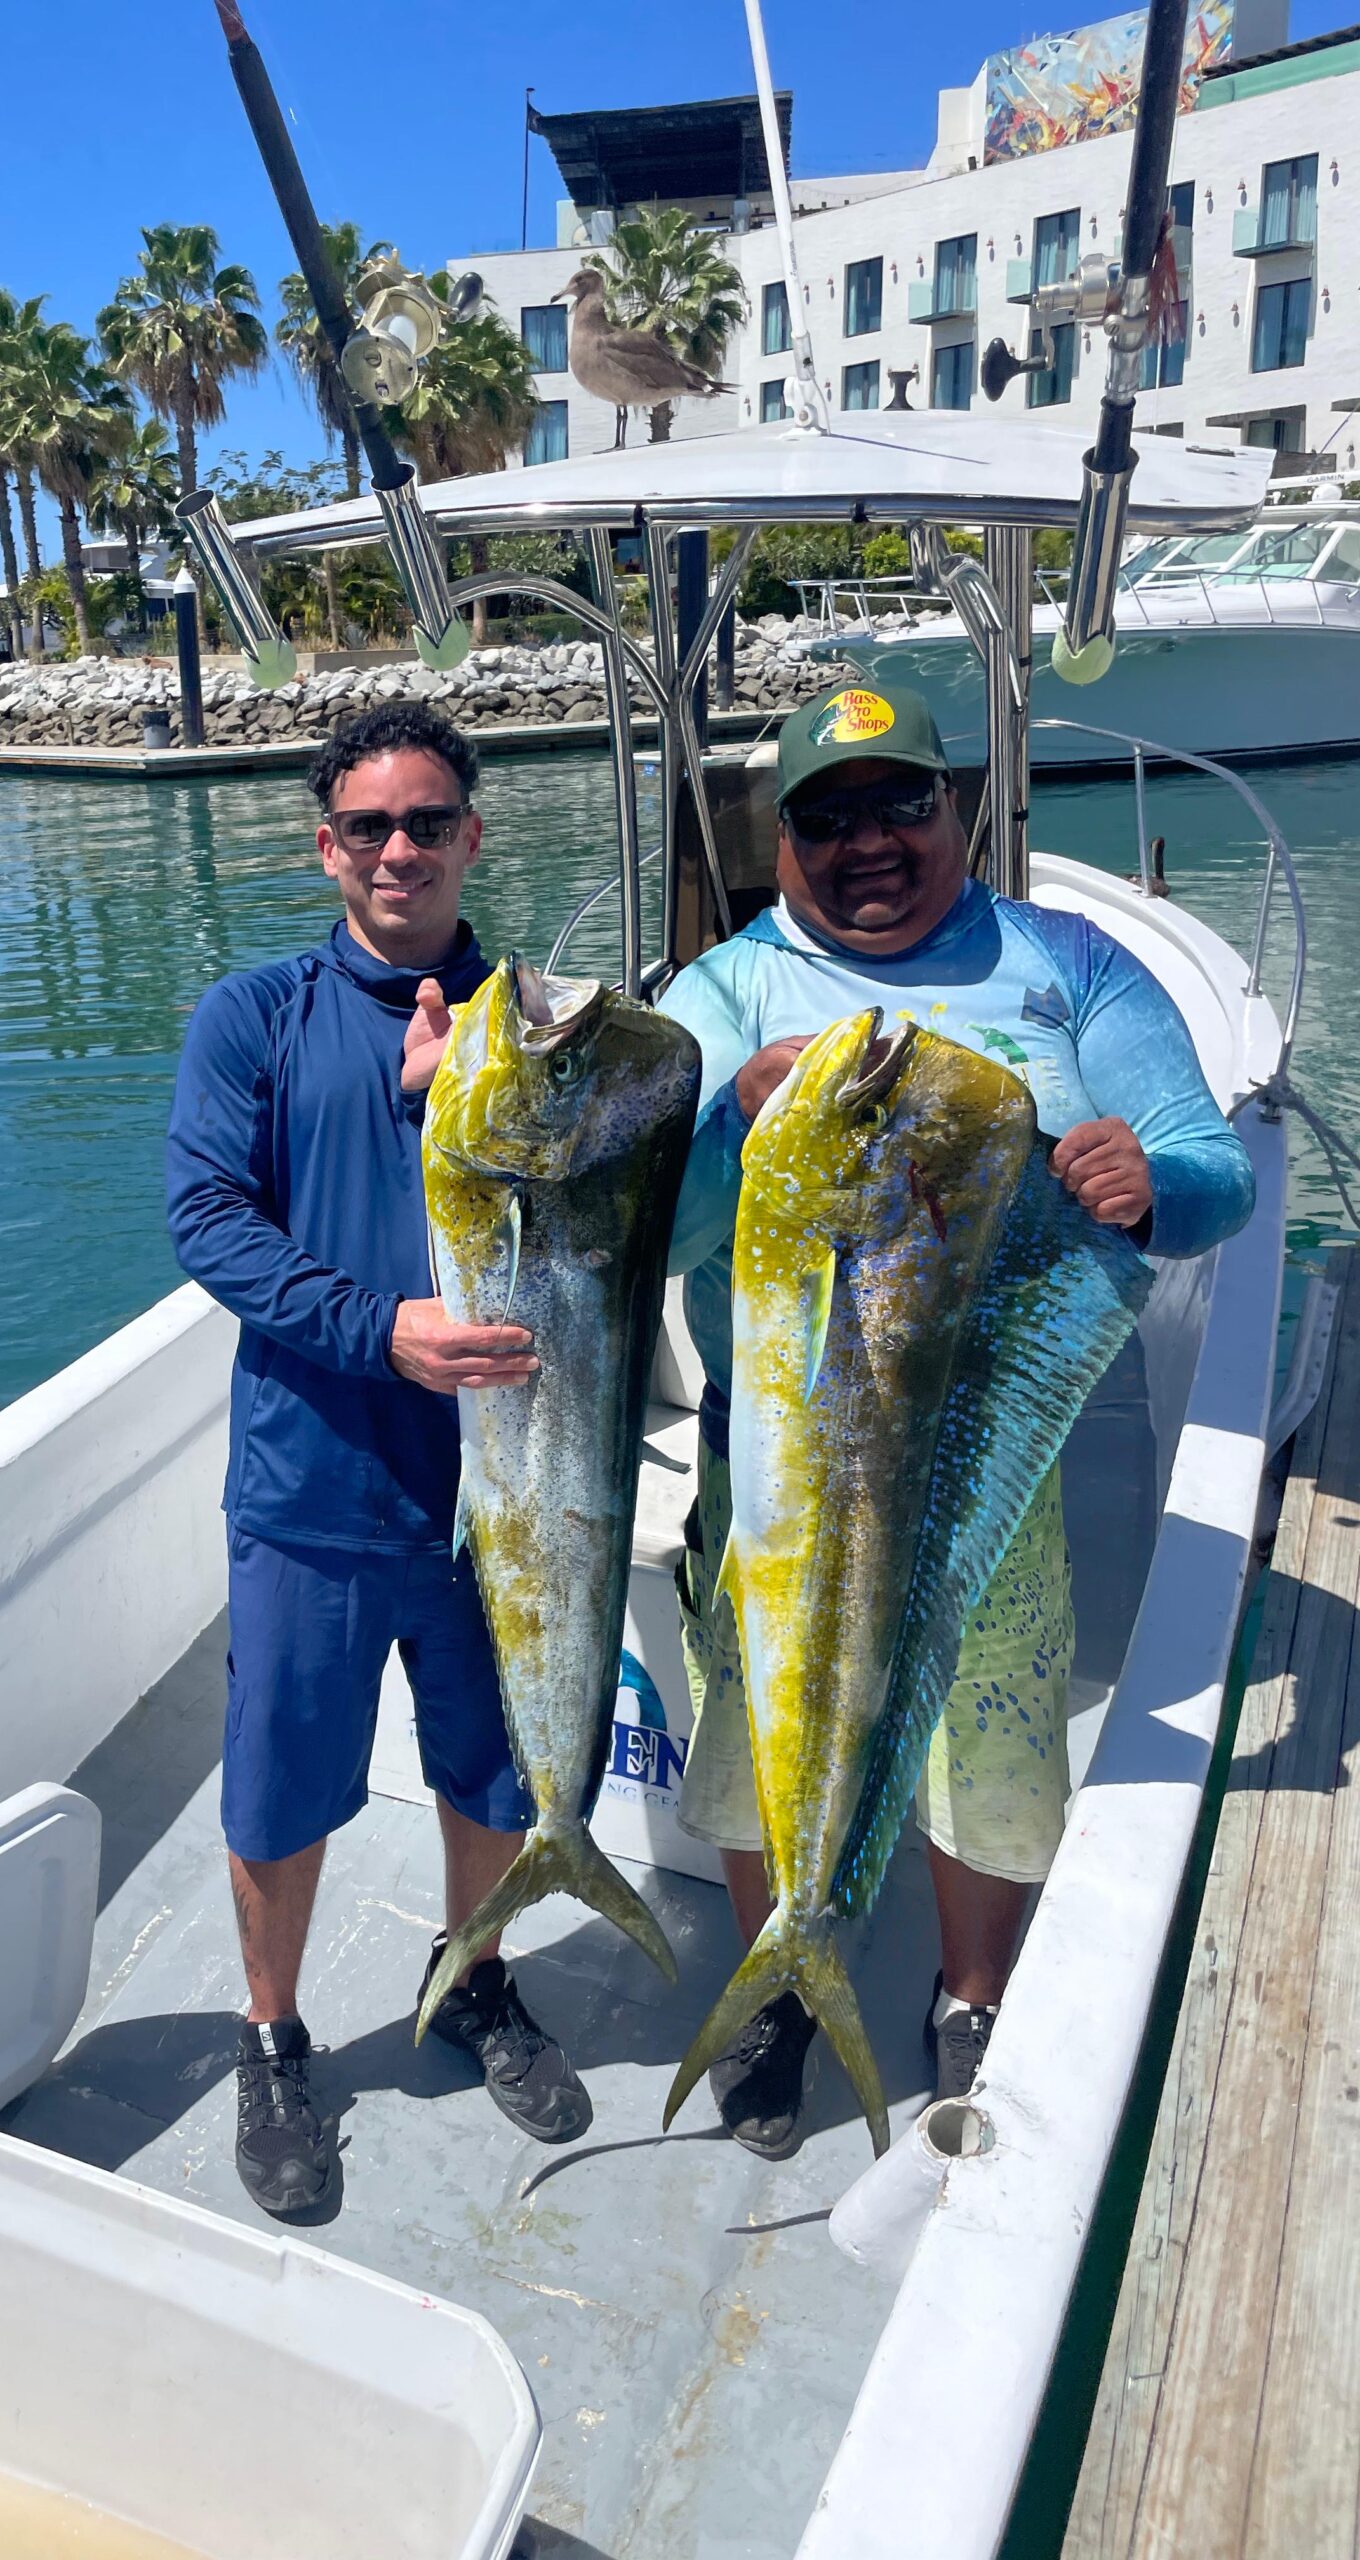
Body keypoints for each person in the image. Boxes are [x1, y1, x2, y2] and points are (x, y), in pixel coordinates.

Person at [660, 678, 1255, 2158]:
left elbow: (1212, 1171)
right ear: (780, 842)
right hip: (782, 1454)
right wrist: (729, 1113)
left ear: (959, 809)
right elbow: (648, 1232)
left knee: (989, 1732)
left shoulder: (1069, 963)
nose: (869, 841)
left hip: (992, 1444)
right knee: (758, 1722)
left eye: (900, 804)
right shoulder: (725, 988)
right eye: (828, 817)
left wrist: (1154, 1183)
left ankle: (970, 1992)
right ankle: (778, 1981)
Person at [166, 701, 593, 2222]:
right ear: (325, 846)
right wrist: (381, 1330)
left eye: (428, 821)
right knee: (280, 1786)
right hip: (318, 1482)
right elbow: (209, 1222)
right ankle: (275, 2037)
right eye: (369, 826)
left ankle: (471, 1982)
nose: (399, 849)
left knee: (492, 1765)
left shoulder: (546, 1025)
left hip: (513, 1483)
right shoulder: (254, 1017)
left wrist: (454, 1109)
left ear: (475, 834)